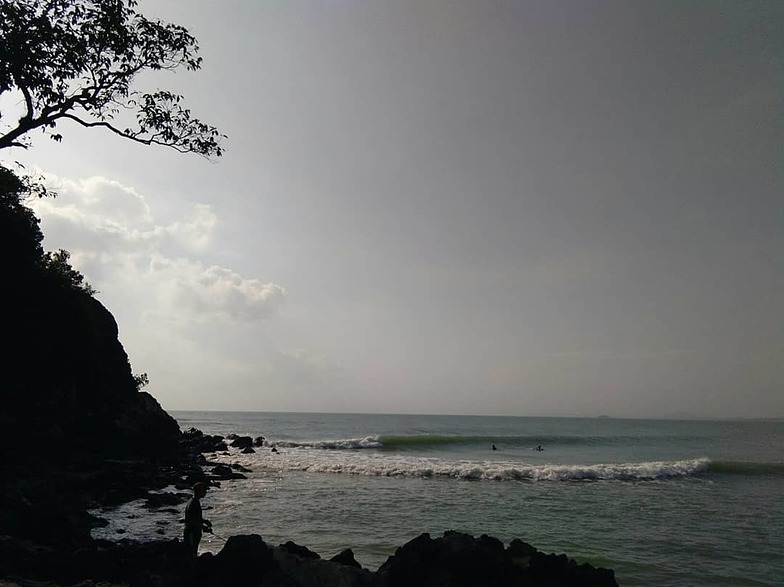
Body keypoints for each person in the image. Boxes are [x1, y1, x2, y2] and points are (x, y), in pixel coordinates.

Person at [183, 482, 212, 555]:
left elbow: (194, 517)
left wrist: (204, 521)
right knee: (191, 553)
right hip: (191, 532)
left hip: (193, 531)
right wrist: (204, 527)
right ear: (200, 491)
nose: (205, 492)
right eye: (204, 490)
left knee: (193, 551)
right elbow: (192, 521)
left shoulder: (193, 501)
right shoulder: (194, 503)